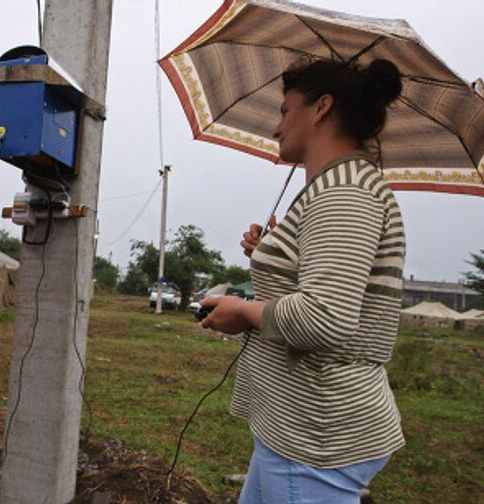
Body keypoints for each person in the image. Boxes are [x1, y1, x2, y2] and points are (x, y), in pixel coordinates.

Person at [199, 58, 405, 504]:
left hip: (316, 434)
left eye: (284, 110)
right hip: (296, 423)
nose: (275, 128)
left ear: (321, 108)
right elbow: (326, 285)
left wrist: (244, 312)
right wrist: (275, 253)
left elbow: (325, 318)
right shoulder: (332, 187)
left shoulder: (346, 193)